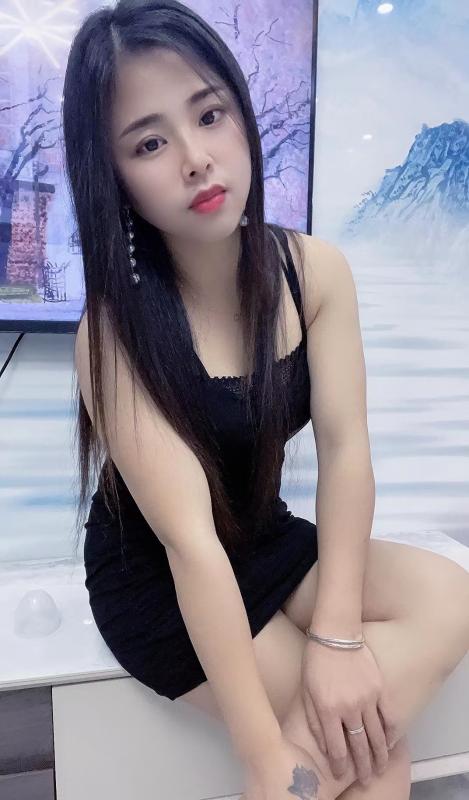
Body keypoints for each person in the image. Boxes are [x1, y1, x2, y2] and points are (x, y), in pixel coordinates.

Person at [66, 1, 469, 798]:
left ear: (241, 114)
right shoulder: (112, 331)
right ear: (113, 178)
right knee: (374, 764)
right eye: (149, 143)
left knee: (450, 597)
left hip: (261, 535)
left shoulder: (314, 272)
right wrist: (263, 755)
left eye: (208, 114)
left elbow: (346, 452)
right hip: (161, 578)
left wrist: (338, 641)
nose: (195, 159)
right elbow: (189, 545)